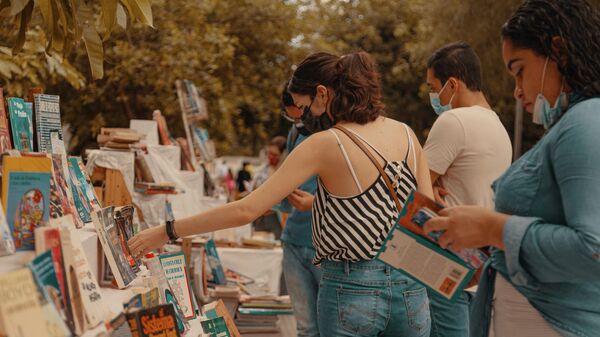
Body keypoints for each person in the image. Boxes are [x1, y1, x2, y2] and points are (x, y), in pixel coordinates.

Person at [129, 51, 434, 337]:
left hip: (351, 288)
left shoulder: (327, 143)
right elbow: (426, 219)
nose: (304, 116)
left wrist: (168, 230)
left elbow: (245, 210)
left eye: (304, 106)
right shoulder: (406, 134)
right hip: (411, 289)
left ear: (323, 94)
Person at [423, 1, 600, 337]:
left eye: (519, 70)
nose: (517, 91)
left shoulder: (586, 122)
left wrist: (493, 228)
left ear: (558, 52)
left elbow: (593, 248)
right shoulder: (573, 125)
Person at [424, 42, 512, 337]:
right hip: (484, 258)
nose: (433, 97)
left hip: (447, 254)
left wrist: (431, 185)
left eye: (433, 87)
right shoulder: (498, 126)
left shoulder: (452, 120)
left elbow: (415, 185)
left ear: (452, 83)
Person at [275, 82, 322, 337]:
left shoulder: (334, 135)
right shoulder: (296, 132)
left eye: (301, 110)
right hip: (294, 240)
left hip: (324, 245)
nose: (296, 118)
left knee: (329, 326)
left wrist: (315, 204)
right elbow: (285, 179)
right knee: (305, 326)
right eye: (290, 113)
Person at [253, 136, 288, 239]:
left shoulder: (286, 173)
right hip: (259, 217)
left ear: (283, 155)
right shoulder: (263, 169)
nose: (270, 157)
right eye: (269, 153)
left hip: (276, 219)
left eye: (275, 154)